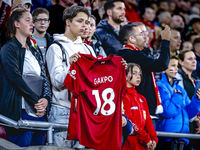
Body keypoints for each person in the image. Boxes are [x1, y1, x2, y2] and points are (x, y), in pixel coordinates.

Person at [46, 5, 96, 148]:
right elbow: (56, 82)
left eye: (86, 22)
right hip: (63, 111)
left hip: (86, 111)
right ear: (68, 22)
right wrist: (71, 67)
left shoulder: (88, 48)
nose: (84, 25)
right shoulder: (56, 47)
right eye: (80, 21)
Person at [0, 9, 51, 147]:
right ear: (17, 23)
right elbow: (15, 78)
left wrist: (46, 100)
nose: (32, 24)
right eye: (27, 20)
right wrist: (36, 101)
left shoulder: (34, 49)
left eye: (32, 21)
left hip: (39, 112)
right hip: (20, 111)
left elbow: (44, 77)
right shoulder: (8, 48)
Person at [118, 24, 171, 127]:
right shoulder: (132, 55)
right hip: (140, 111)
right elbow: (162, 65)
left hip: (141, 109)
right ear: (132, 39)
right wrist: (165, 41)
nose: (145, 37)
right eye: (141, 34)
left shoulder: (130, 54)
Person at [156, 55, 200, 150]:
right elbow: (167, 111)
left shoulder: (180, 89)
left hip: (183, 138)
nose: (176, 69)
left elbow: (189, 113)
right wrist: (177, 96)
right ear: (164, 68)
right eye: (173, 66)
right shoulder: (160, 86)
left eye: (177, 66)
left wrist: (196, 99)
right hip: (168, 138)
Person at [122, 63, 158, 150]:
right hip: (129, 142)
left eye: (139, 74)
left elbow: (148, 120)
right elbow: (130, 120)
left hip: (143, 143)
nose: (138, 76)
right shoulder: (123, 96)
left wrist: (154, 138)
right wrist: (146, 138)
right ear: (125, 75)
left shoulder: (142, 98)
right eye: (134, 73)